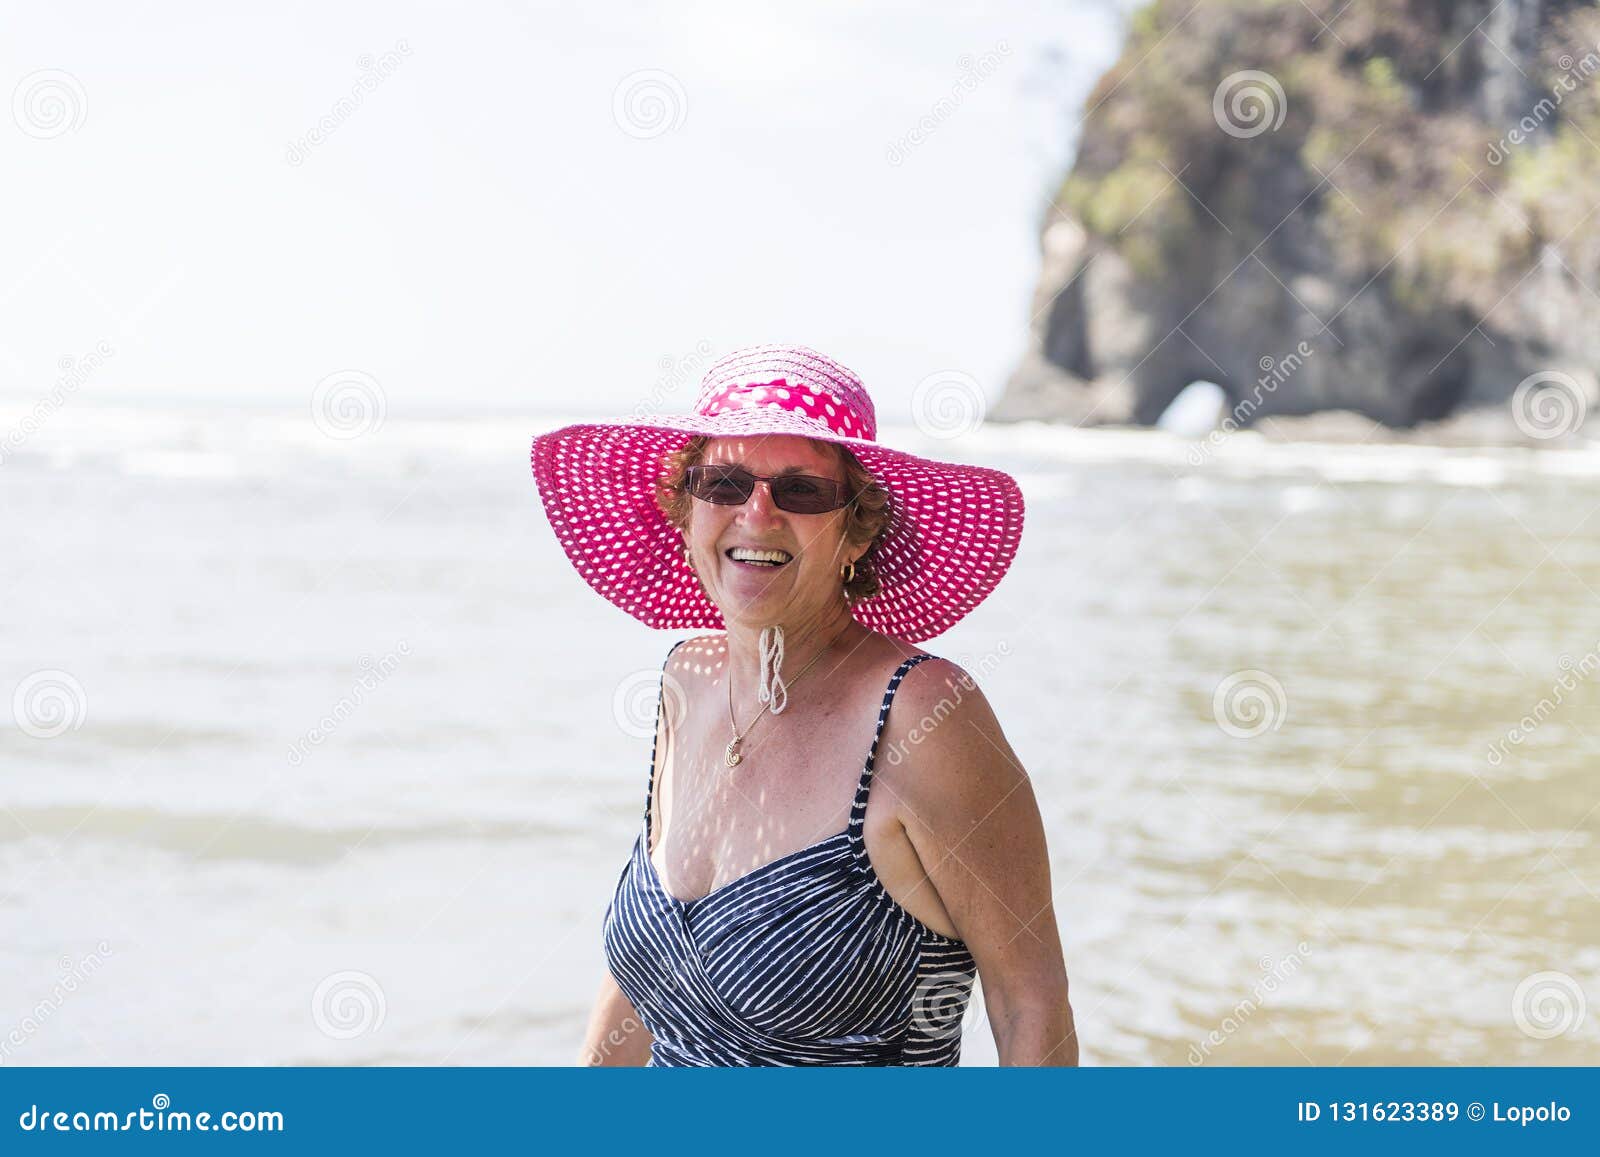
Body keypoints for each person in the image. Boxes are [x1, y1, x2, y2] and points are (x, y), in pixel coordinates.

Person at [531, 343, 1077, 1065]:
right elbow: (644, 977)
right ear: (686, 510)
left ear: (857, 530)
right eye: (723, 482)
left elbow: (1029, 1005)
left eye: (801, 491)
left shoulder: (924, 716)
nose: (756, 513)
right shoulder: (686, 681)